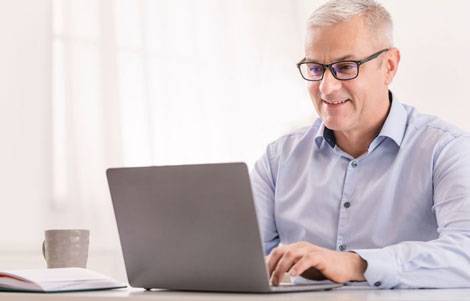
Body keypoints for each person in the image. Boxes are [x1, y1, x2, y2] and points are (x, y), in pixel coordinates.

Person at [250, 0, 470, 289]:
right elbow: (240, 258)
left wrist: (356, 264)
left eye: (345, 67)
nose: (327, 87)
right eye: (316, 68)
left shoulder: (446, 149)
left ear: (388, 66)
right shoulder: (278, 160)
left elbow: (465, 253)